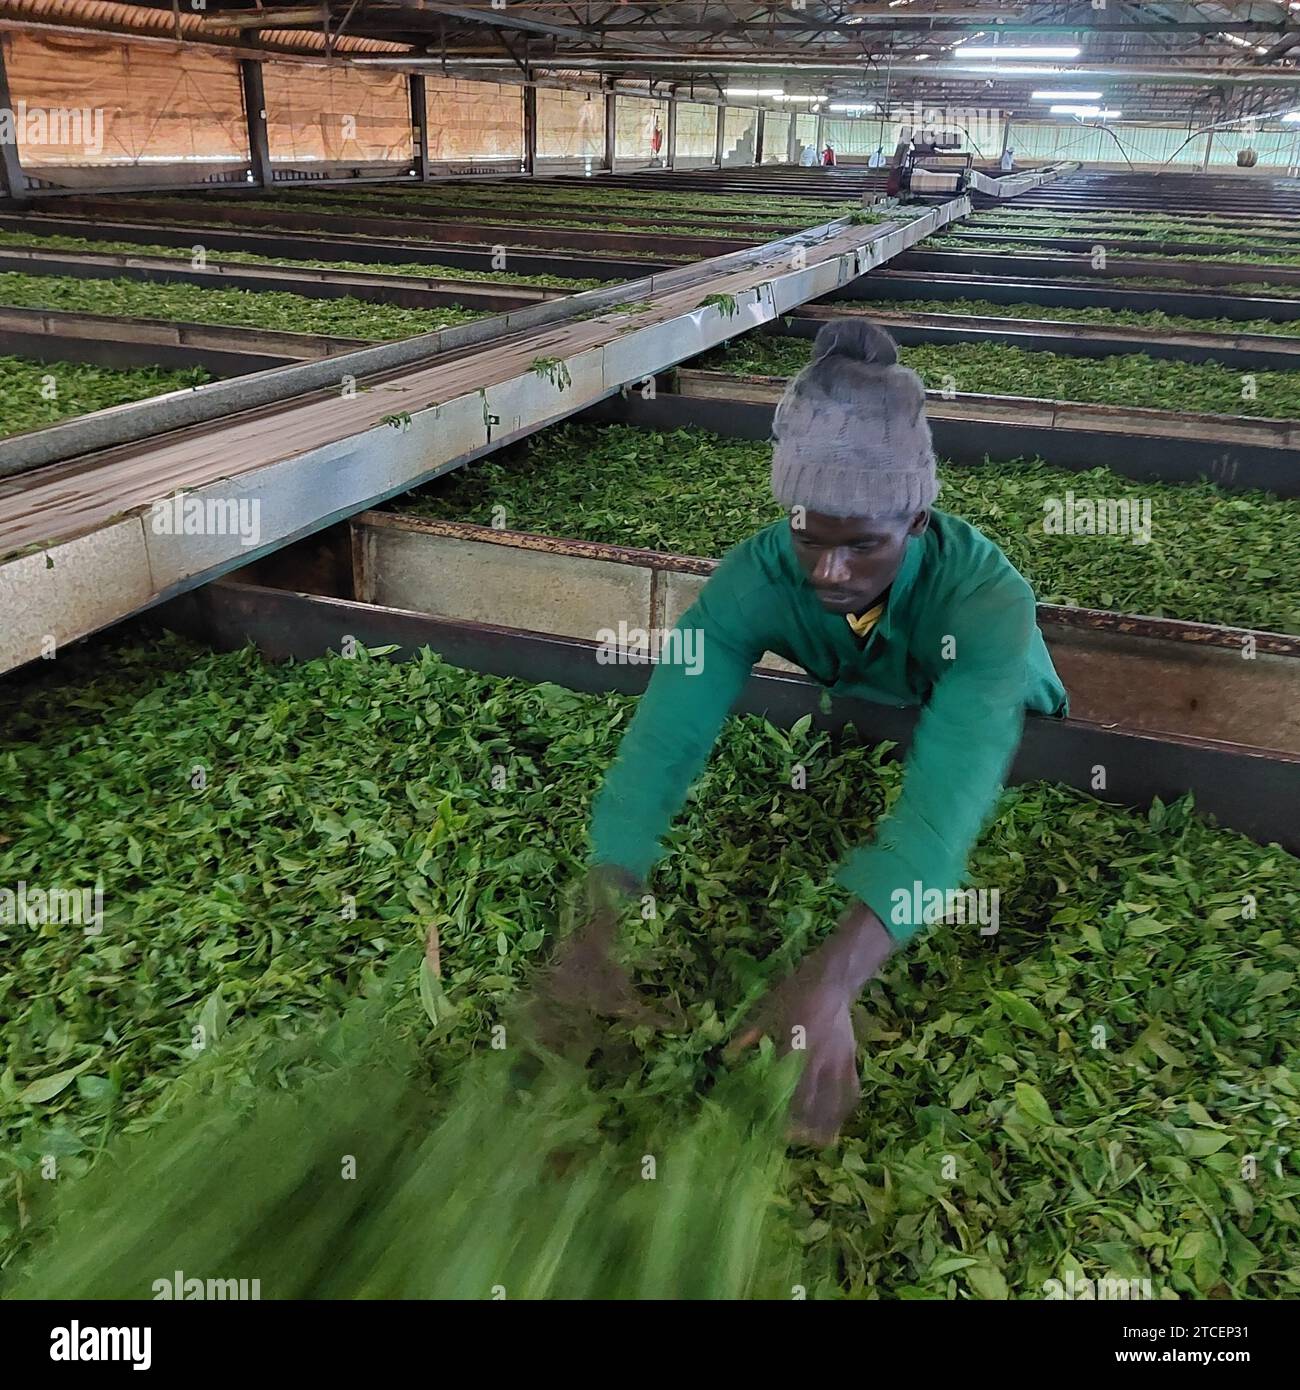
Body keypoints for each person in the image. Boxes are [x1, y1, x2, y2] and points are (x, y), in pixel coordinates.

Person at [544, 320, 1068, 1145]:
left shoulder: (988, 601)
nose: (829, 571)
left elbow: (945, 803)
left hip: (1010, 730)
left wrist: (832, 982)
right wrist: (599, 916)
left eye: (863, 544)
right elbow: (664, 739)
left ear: (919, 523)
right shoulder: (757, 576)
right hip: (863, 706)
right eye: (810, 537)